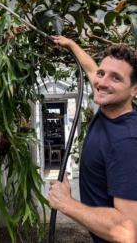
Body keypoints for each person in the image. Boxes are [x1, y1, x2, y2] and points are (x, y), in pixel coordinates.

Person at [47, 35, 137, 243]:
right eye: (102, 73)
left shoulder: (126, 142)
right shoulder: (112, 105)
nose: (101, 82)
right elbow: (90, 67)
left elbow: (127, 232)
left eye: (115, 77)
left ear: (134, 89)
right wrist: (69, 44)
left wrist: (66, 204)